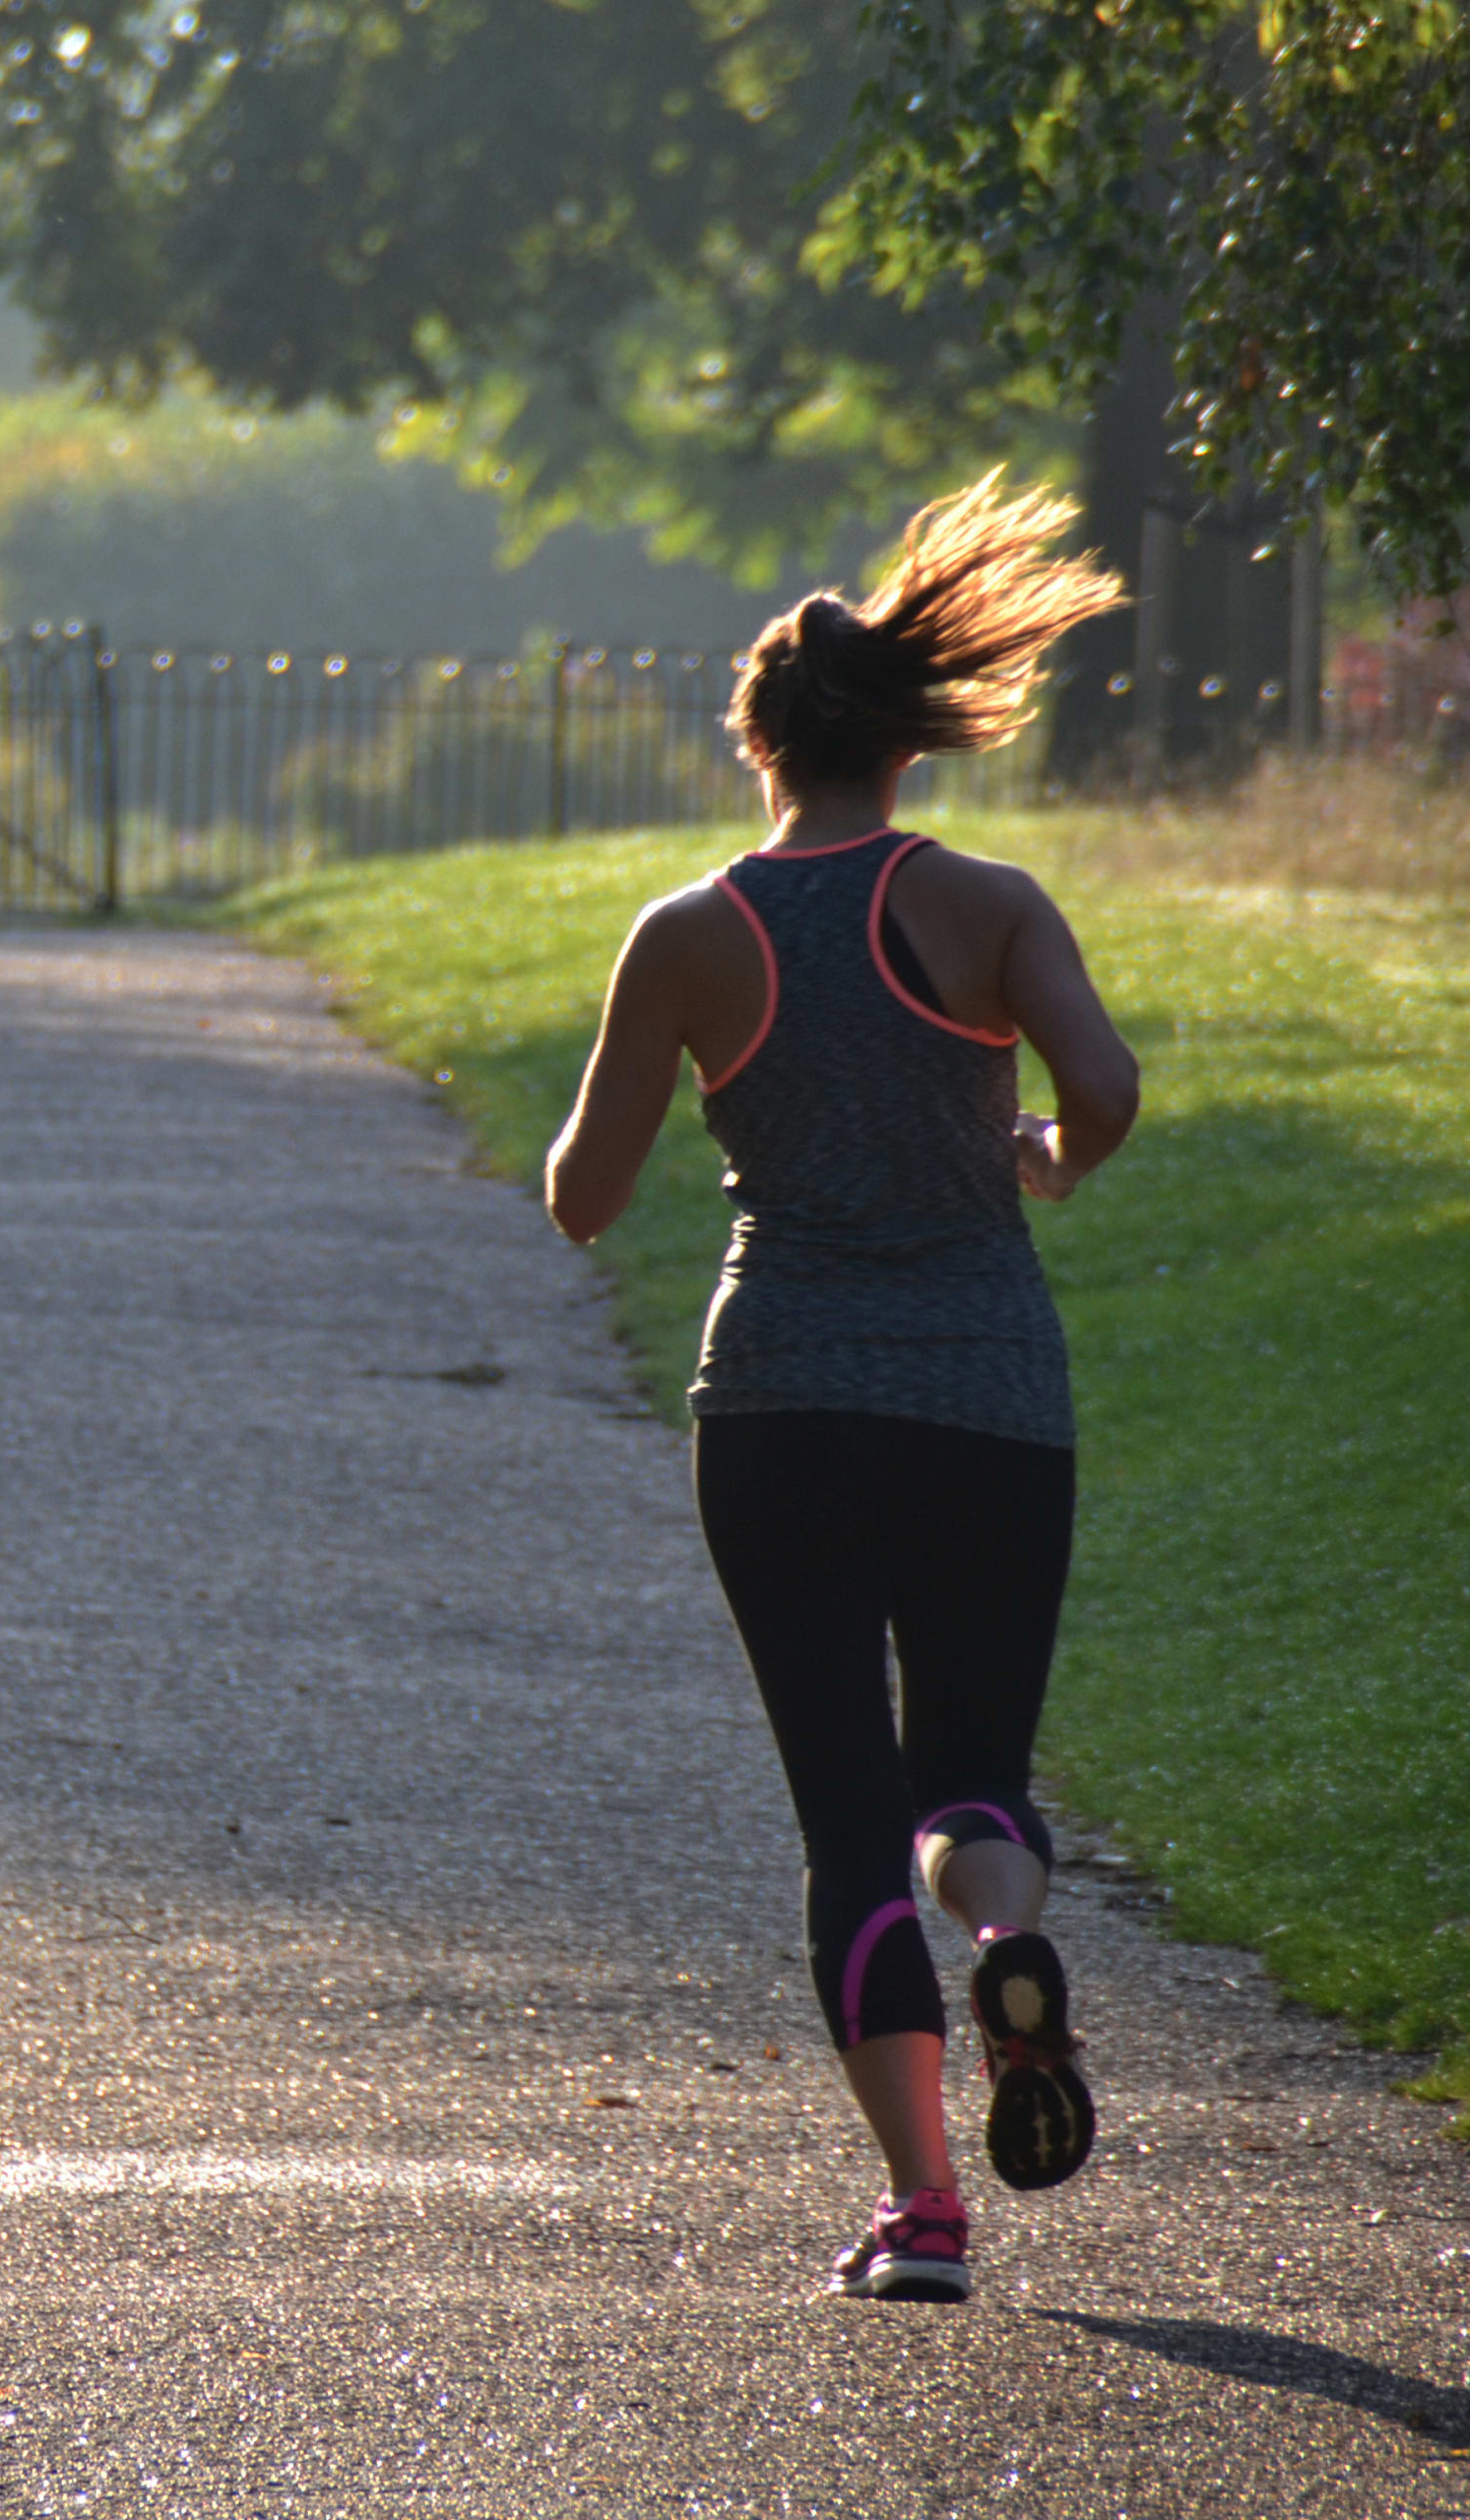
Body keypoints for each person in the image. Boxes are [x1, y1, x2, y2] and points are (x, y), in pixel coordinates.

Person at [542, 475, 1142, 2303]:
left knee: (843, 1813)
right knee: (971, 1782)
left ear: (760, 743)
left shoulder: (690, 933)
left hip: (783, 1401)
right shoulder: (985, 903)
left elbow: (584, 1192)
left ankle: (926, 2212)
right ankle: (1012, 1940)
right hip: (990, 1398)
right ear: (907, 744)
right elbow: (1103, 1091)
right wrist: (1032, 1155)